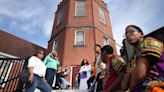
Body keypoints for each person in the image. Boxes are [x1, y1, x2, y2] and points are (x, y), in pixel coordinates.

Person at [121, 25, 164, 92]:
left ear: (141, 34)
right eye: (126, 33)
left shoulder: (148, 41)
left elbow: (139, 75)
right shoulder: (132, 59)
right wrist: (132, 72)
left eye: (132, 32)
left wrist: (132, 74)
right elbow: (123, 87)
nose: (128, 35)